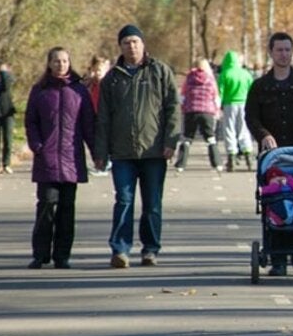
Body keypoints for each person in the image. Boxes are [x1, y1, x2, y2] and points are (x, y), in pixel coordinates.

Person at [92, 24, 180, 268]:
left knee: (152, 204)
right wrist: (100, 152)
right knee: (124, 200)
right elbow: (103, 118)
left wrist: (171, 141)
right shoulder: (112, 78)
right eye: (126, 43)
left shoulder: (159, 71)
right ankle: (120, 250)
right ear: (120, 46)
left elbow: (173, 107)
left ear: (143, 44)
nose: (131, 46)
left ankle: (150, 250)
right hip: (122, 152)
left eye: (135, 42)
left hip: (154, 151)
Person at [246, 32, 293, 276]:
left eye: (287, 50)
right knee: (277, 201)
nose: (284, 54)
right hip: (273, 157)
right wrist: (263, 135)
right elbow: (251, 117)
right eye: (279, 50)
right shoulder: (260, 86)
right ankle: (278, 257)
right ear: (271, 52)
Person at [24, 47, 94, 269]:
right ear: (49, 64)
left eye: (64, 61)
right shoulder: (40, 90)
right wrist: (37, 145)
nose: (60, 65)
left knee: (67, 209)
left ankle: (62, 255)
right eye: (56, 61)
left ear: (69, 63)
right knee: (46, 205)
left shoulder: (79, 91)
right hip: (47, 158)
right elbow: (31, 121)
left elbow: (88, 125)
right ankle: (40, 254)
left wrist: (97, 152)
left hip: (71, 159)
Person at [175, 58, 222, 173]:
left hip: (191, 111)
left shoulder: (189, 78)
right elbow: (215, 97)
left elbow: (182, 96)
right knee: (210, 138)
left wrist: (182, 108)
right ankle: (217, 164)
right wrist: (217, 111)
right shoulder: (210, 79)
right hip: (207, 112)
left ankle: (180, 165)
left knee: (187, 138)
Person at [216, 50, 256, 172]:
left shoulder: (224, 74)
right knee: (244, 129)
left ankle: (231, 157)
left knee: (229, 130)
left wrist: (218, 107)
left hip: (229, 104)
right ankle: (248, 155)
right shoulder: (246, 74)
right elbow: (252, 90)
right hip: (244, 103)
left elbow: (220, 92)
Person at [83, 56, 111, 176]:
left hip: (104, 116)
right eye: (96, 70)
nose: (98, 73)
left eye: (101, 70)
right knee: (94, 141)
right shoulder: (90, 84)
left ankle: (104, 164)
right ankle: (99, 163)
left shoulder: (109, 84)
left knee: (103, 141)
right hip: (92, 114)